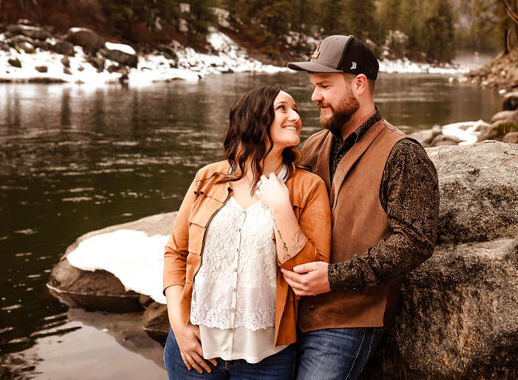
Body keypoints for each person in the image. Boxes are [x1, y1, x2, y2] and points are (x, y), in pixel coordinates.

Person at [283, 35, 440, 379]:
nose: (314, 96)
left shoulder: (404, 154)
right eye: (313, 85)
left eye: (324, 85)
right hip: (291, 312)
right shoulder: (313, 145)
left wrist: (335, 278)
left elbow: (416, 240)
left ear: (359, 84)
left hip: (350, 319)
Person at [162, 85, 332, 379]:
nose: (296, 116)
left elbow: (308, 272)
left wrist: (282, 210)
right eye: (283, 108)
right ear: (253, 117)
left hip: (267, 358)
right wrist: (179, 325)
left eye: (296, 110)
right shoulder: (208, 177)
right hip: (193, 348)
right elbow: (175, 252)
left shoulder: (309, 186)